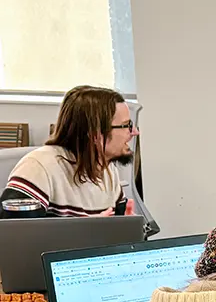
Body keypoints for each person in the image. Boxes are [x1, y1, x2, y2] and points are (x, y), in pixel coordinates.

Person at [2, 85, 137, 216]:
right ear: (96, 134)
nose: (135, 132)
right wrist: (84, 232)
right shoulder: (38, 167)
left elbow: (118, 231)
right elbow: (14, 235)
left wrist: (130, 230)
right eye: (127, 125)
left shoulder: (107, 171)